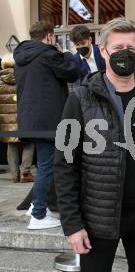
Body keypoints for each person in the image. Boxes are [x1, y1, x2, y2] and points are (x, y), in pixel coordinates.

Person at [54, 17, 135, 272]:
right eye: (118, 47)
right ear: (102, 50)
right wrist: (72, 224)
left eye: (131, 49)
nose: (125, 54)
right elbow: (64, 164)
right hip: (98, 217)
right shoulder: (80, 97)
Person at [13, 20, 80, 230]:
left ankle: (36, 207)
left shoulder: (21, 57)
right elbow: (72, 71)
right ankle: (39, 214)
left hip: (29, 119)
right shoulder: (48, 54)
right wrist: (67, 52)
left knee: (44, 163)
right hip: (48, 120)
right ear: (49, 36)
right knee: (46, 166)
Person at [0, 55, 34, 183]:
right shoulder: (24, 78)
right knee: (29, 142)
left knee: (11, 144)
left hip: (6, 121)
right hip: (24, 116)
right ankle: (25, 172)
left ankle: (15, 174)